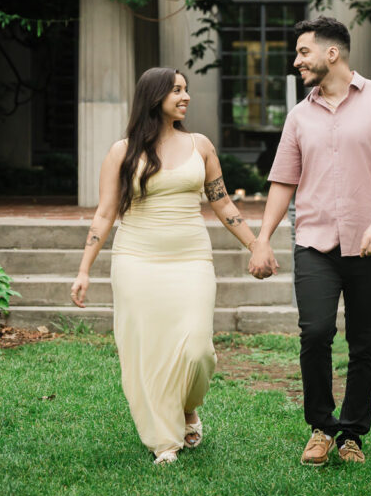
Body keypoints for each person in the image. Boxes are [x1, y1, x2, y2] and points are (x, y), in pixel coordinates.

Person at [248, 16, 371, 466]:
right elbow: (283, 181)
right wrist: (261, 239)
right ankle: (321, 427)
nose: (296, 61)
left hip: (369, 244)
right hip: (314, 243)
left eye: (304, 52)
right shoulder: (300, 115)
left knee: (364, 343)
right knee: (316, 333)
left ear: (331, 53)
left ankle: (353, 434)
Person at [70, 67, 257, 465]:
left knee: (198, 349)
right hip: (136, 260)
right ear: (155, 97)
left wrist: (256, 245)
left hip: (191, 260)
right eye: (176, 90)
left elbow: (222, 203)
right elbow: (104, 215)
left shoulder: (201, 145)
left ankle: (190, 405)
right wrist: (85, 268)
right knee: (148, 352)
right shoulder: (122, 152)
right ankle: (164, 442)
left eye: (186, 89)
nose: (186, 96)